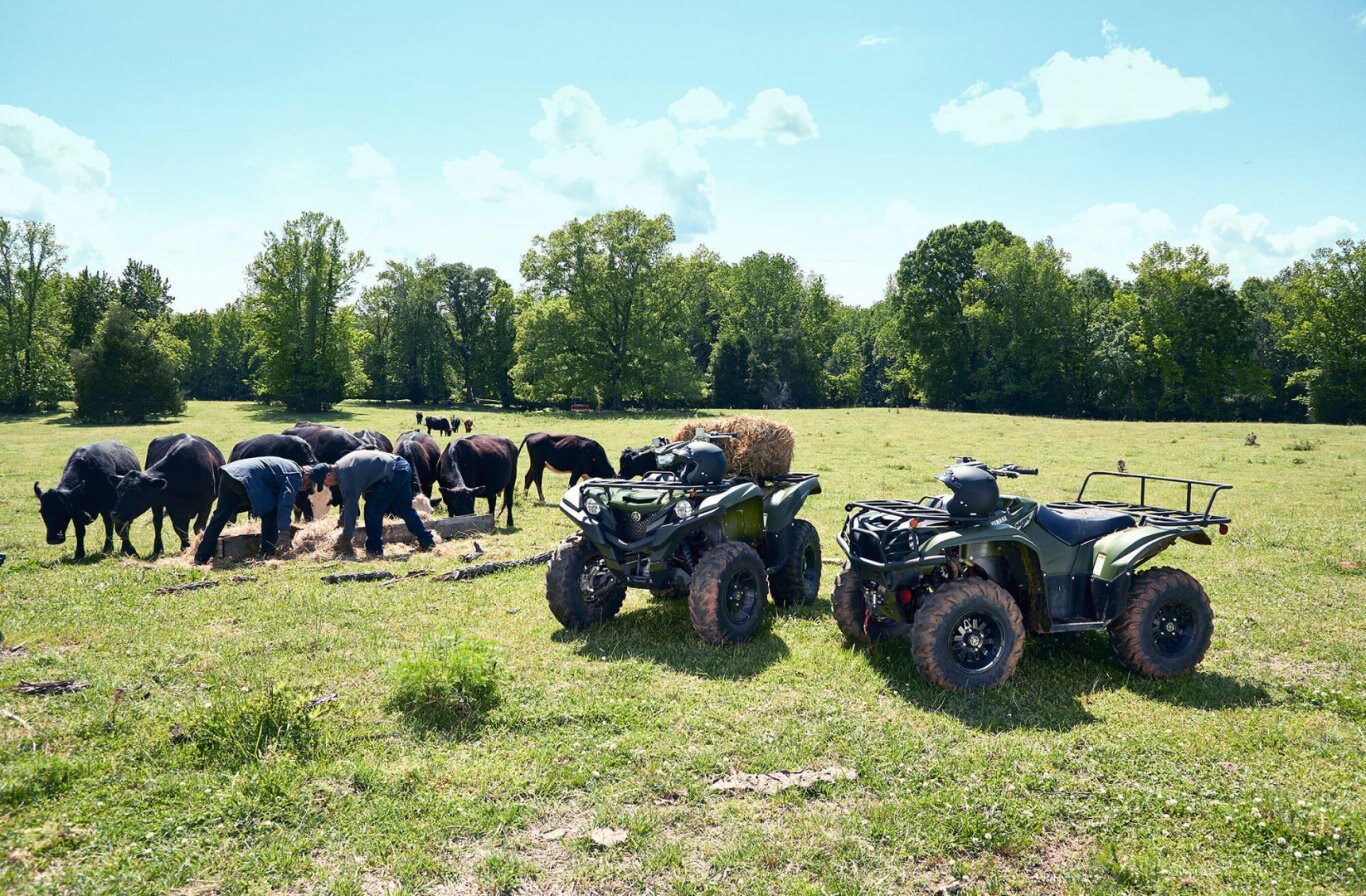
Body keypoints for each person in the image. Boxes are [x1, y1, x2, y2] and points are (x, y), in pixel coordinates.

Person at [306, 450, 435, 557]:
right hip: (401, 466)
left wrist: (345, 538)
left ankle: (374, 549)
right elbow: (349, 502)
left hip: (393, 472)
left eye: (324, 482)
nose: (326, 485)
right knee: (404, 509)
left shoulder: (347, 478)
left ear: (328, 475)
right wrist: (342, 520)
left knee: (372, 509)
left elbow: (351, 508)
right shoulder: (341, 467)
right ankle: (427, 542)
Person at [194, 456, 304, 564]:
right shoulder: (295, 474)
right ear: (307, 475)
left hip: (228, 473)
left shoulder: (287, 466)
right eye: (309, 485)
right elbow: (285, 504)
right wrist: (284, 532)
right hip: (243, 478)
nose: (304, 489)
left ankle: (201, 556)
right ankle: (268, 553)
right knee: (271, 511)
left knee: (220, 515)